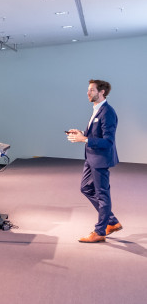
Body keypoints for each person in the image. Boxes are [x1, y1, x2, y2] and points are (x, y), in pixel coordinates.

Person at [67, 79, 122, 243]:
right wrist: (81, 133)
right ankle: (111, 221)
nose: (88, 92)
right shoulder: (97, 110)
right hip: (91, 158)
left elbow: (108, 142)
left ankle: (100, 231)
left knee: (102, 194)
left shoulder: (108, 112)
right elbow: (95, 134)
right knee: (85, 188)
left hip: (100, 160)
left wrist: (84, 139)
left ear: (102, 92)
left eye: (91, 90)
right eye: (88, 90)